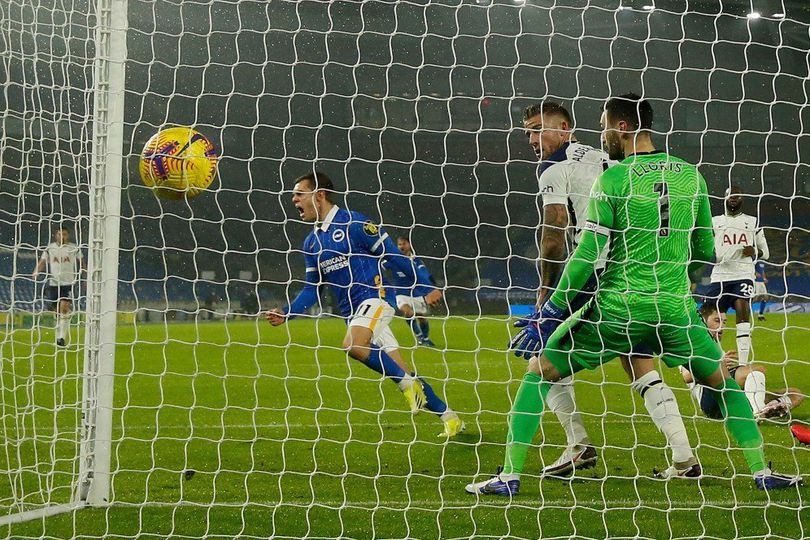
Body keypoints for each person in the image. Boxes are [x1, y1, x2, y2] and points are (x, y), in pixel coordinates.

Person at [466, 93, 800, 495]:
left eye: (605, 123)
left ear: (622, 127)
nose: (602, 132)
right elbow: (705, 252)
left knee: (539, 374)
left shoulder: (615, 179)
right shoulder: (690, 175)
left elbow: (587, 254)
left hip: (618, 307)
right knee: (724, 386)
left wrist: (550, 309)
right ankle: (761, 473)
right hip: (674, 309)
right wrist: (675, 279)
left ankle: (510, 476)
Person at [508, 101, 696, 479]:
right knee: (638, 362)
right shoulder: (605, 157)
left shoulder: (553, 168)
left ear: (564, 128)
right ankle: (685, 458)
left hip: (589, 273)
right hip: (629, 273)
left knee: (541, 360)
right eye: (527, 131)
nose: (530, 138)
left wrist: (547, 292)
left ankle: (575, 445)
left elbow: (555, 231)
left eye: (536, 128)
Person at [265, 172, 464, 438]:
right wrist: (287, 313)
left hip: (376, 301)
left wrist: (427, 287)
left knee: (354, 345)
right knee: (401, 369)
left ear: (319, 195)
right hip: (355, 315)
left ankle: (408, 386)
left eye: (299, 193)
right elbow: (313, 288)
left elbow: (393, 256)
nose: (294, 199)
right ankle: (450, 418)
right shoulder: (311, 243)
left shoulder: (356, 223)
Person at [681, 302, 803, 421]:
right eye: (717, 321)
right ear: (703, 321)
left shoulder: (716, 346)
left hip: (732, 396)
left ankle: (770, 409)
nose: (722, 326)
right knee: (756, 370)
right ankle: (758, 410)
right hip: (711, 401)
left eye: (724, 322)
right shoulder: (693, 343)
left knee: (796, 394)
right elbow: (686, 376)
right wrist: (719, 364)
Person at [707, 186, 769, 364]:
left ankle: (742, 363)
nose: (734, 197)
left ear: (742, 199)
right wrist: (713, 256)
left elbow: (766, 252)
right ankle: (718, 360)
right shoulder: (714, 222)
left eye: (737, 195)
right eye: (730, 195)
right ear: (724, 198)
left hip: (743, 274)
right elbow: (708, 250)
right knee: (712, 317)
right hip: (719, 275)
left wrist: (754, 251)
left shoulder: (753, 222)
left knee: (743, 308)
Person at [32, 226, 84, 346]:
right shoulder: (50, 248)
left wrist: (84, 273)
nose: (62, 236)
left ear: (68, 235)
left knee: (64, 307)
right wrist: (36, 271)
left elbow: (81, 262)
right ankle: (58, 334)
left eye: (65, 234)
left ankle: (62, 338)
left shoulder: (73, 248)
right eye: (60, 234)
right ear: (56, 235)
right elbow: (43, 261)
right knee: (57, 312)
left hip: (68, 283)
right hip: (54, 283)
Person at [384, 235, 438, 347]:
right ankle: (419, 337)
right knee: (408, 312)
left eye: (404, 244)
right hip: (401, 293)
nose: (401, 246)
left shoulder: (416, 260)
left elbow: (424, 273)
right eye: (399, 244)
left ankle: (426, 338)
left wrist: (430, 284)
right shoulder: (393, 259)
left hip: (417, 293)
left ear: (409, 244)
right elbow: (380, 266)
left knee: (422, 318)